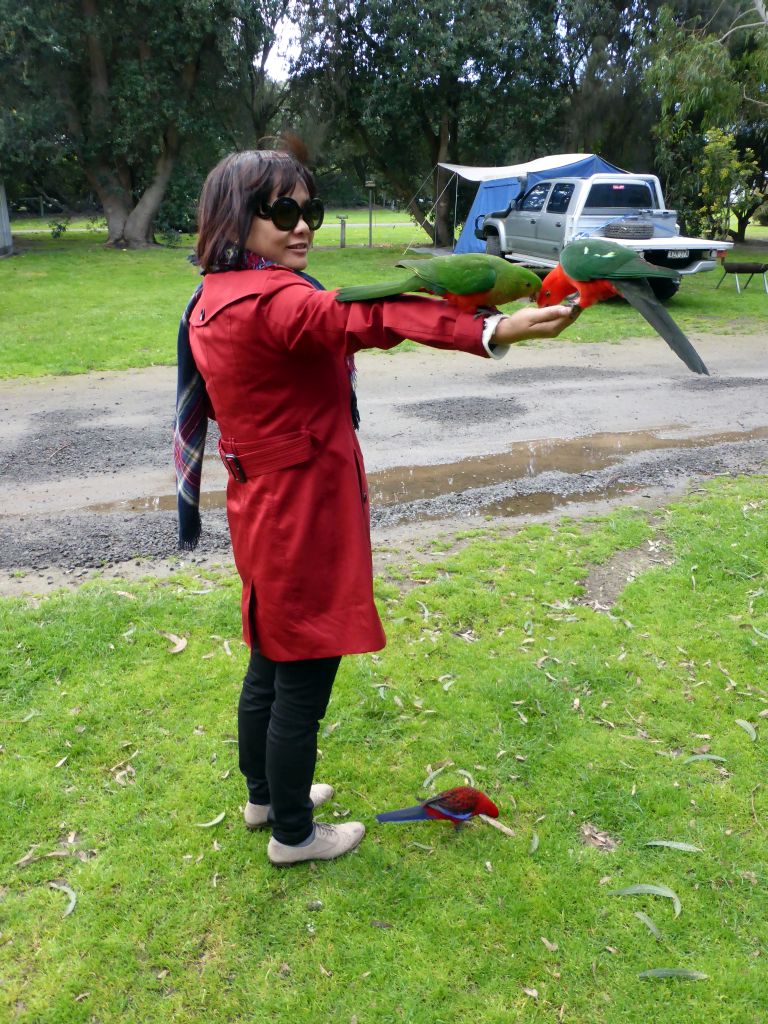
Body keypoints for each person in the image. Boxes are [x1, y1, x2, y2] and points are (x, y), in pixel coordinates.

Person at [174, 148, 577, 867]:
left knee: (270, 657)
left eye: (312, 211)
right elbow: (371, 316)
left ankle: (263, 796)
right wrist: (488, 329)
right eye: (284, 212)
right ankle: (294, 835)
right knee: (303, 670)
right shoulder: (279, 300)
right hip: (302, 510)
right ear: (239, 217)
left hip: (261, 501)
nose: (303, 228)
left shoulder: (214, 293)